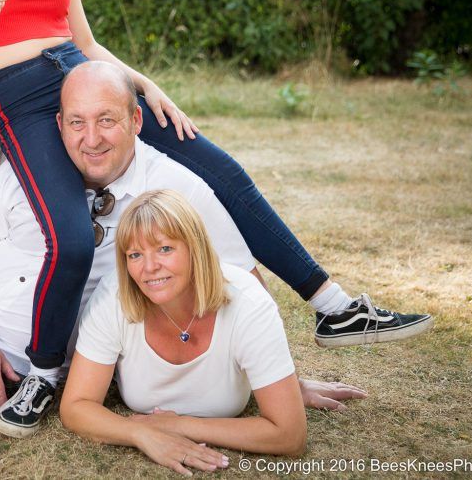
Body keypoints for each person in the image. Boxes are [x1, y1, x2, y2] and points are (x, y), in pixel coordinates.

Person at [0, 0, 430, 434]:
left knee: (220, 169)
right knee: (72, 238)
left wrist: (144, 83)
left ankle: (334, 307)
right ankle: (44, 374)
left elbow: (84, 42)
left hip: (82, 74)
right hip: (25, 99)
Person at [0, 61, 377, 438]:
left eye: (107, 120)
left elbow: (243, 282)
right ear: (58, 125)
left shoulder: (176, 187)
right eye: (76, 122)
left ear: (136, 121)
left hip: (27, 372)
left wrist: (281, 381)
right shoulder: (25, 174)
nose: (91, 139)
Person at [60, 190, 306, 473]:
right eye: (135, 254)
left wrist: (179, 425)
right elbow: (76, 406)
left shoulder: (248, 304)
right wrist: (142, 434)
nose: (149, 268)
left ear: (195, 248)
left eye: (165, 249)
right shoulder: (113, 298)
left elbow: (290, 435)